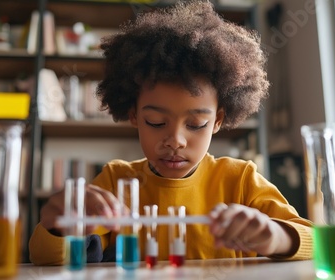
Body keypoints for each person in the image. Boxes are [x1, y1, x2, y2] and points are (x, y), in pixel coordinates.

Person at [29, 0, 312, 265]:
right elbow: (48, 260)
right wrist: (56, 228)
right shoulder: (117, 182)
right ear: (133, 115)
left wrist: (275, 237)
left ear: (217, 120)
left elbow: (315, 241)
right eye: (155, 121)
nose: (175, 141)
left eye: (196, 124)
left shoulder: (241, 181)